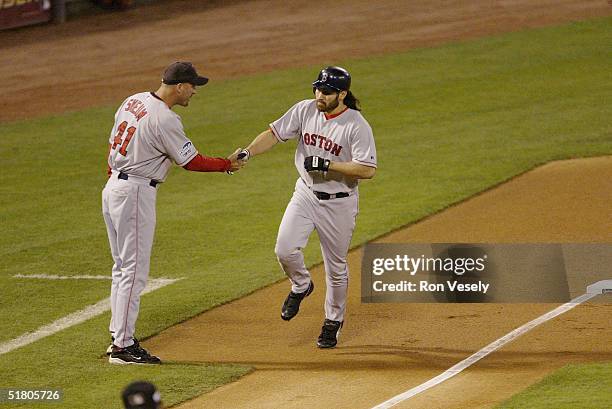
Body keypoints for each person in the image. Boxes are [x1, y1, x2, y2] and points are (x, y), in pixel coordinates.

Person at [103, 61, 244, 364]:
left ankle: (118, 335)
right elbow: (190, 161)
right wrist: (227, 164)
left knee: (121, 267)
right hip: (135, 192)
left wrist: (117, 179)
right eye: (193, 86)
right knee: (134, 271)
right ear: (179, 86)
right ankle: (123, 346)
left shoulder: (133, 100)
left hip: (114, 186)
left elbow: (113, 142)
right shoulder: (165, 118)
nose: (194, 92)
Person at [237, 66, 377, 348]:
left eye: (326, 92)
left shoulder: (356, 125)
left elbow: (367, 169)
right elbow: (274, 134)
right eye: (317, 89)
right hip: (305, 193)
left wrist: (329, 165)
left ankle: (332, 322)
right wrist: (248, 151)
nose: (319, 95)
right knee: (284, 249)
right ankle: (301, 285)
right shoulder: (305, 110)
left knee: (335, 267)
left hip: (339, 202)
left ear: (342, 94)